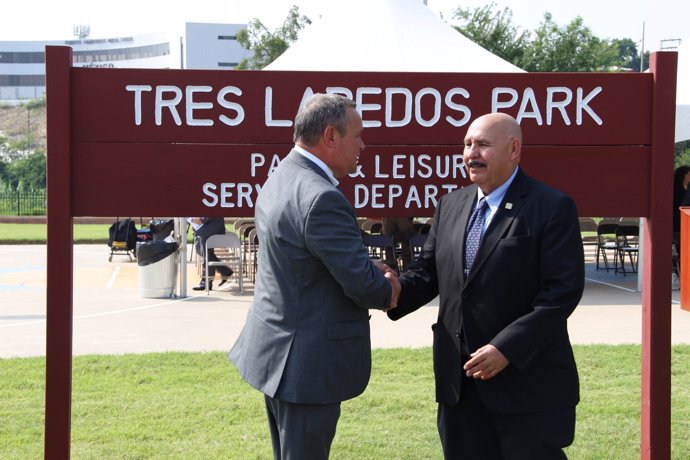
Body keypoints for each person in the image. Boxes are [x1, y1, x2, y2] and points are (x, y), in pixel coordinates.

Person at [388, 112, 584, 459]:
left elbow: (561, 293)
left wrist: (506, 348)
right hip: (459, 385)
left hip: (527, 387)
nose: (471, 153)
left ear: (514, 149)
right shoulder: (451, 205)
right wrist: (392, 289)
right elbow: (429, 272)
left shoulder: (552, 207)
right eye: (467, 144)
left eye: (482, 144)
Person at [228, 93, 398, 460]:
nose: (363, 145)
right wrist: (385, 284)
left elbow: (310, 261)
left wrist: (367, 268)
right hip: (306, 364)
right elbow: (362, 285)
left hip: (278, 352)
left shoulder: (282, 175)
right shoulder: (322, 197)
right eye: (357, 135)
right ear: (331, 136)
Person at [189, 217, 233, 291]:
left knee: (206, 256)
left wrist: (190, 219)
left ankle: (206, 282)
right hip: (208, 229)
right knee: (205, 254)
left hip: (210, 230)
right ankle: (224, 270)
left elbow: (200, 220)